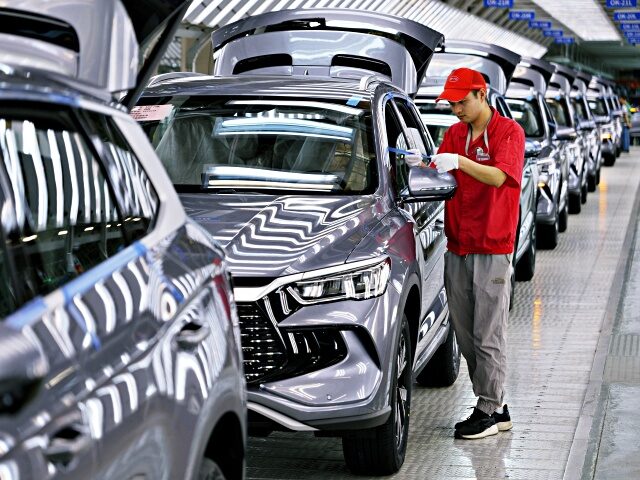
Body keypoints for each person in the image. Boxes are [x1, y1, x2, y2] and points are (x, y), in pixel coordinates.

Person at [428, 68, 525, 439]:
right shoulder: (453, 134)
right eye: (451, 104)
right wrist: (425, 167)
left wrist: (460, 162)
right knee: (466, 332)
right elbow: (442, 173)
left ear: (482, 95)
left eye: (462, 102)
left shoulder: (508, 133)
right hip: (459, 245)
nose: (455, 110)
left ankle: (487, 406)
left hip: (492, 246)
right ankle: (497, 407)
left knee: (488, 332)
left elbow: (501, 176)